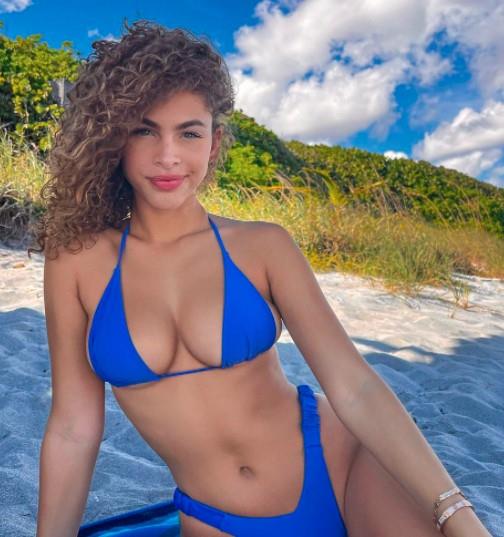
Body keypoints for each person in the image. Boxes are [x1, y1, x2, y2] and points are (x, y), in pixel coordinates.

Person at [32, 19, 492, 537]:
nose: (168, 155)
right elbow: (73, 427)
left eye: (189, 132)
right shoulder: (78, 261)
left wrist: (456, 513)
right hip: (215, 517)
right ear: (115, 137)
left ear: (213, 143)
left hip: (341, 468)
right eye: (145, 129)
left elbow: (355, 386)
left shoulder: (262, 246)